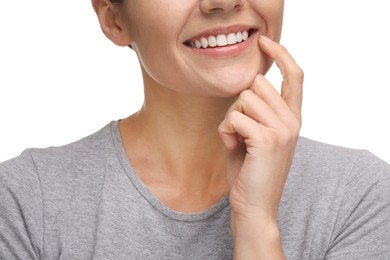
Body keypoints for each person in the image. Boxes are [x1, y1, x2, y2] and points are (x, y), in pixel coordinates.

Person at [0, 0, 389, 259]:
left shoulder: (361, 197)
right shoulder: (26, 202)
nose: (222, 0)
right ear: (114, 19)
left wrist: (256, 224)